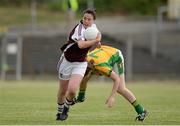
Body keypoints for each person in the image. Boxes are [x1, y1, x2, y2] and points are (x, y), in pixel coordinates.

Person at [76, 45, 148, 121]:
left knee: (120, 88)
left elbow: (116, 79)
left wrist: (112, 97)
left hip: (116, 57)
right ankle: (81, 97)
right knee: (85, 78)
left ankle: (141, 111)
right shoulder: (85, 60)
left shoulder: (101, 66)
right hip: (104, 55)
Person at [56, 9, 101, 121]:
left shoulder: (94, 28)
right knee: (62, 91)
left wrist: (98, 40)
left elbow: (98, 34)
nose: (86, 20)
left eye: (89, 19)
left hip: (80, 63)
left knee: (72, 90)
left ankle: (65, 110)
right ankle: (59, 110)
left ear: (93, 20)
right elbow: (81, 45)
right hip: (67, 61)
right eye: (84, 18)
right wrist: (96, 40)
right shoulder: (78, 29)